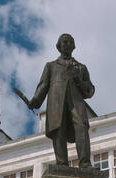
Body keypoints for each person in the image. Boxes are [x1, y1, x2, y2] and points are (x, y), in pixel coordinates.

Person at [27, 34, 95, 168]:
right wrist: (36, 100)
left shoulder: (81, 67)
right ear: (59, 46)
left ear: (74, 46)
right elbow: (43, 86)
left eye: (70, 42)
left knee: (81, 127)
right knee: (58, 129)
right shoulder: (50, 66)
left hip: (76, 103)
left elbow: (90, 91)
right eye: (64, 42)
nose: (67, 44)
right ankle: (62, 163)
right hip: (56, 103)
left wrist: (79, 81)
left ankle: (85, 163)